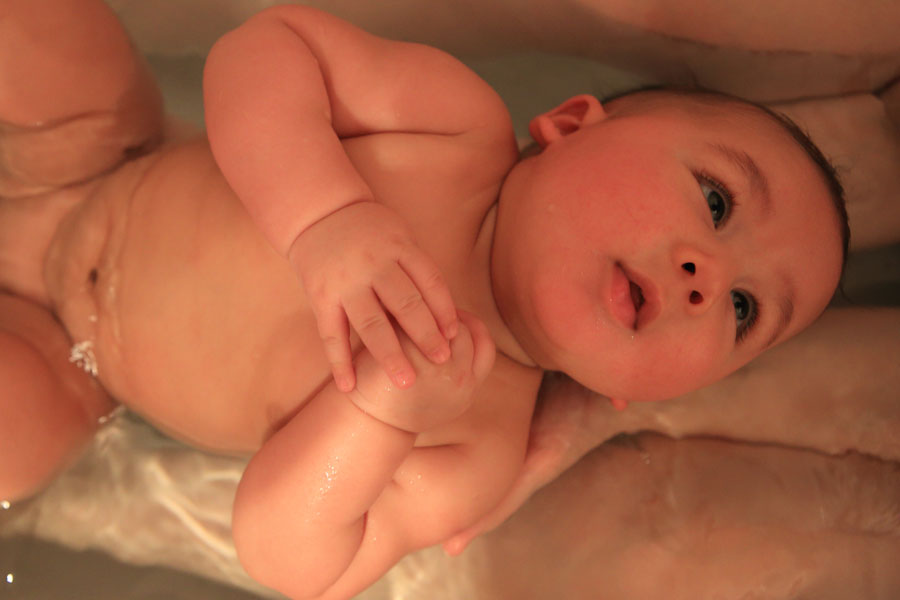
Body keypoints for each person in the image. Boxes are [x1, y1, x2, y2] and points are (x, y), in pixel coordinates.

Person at [0, 2, 847, 599]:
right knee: (50, 30)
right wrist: (326, 218)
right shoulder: (450, 123)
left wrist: (377, 414)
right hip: (98, 157)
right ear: (570, 123)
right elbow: (266, 46)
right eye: (716, 201)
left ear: (635, 392)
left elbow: (290, 561)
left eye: (744, 312)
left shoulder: (472, 446)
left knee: (16, 448)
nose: (708, 277)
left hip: (69, 365)